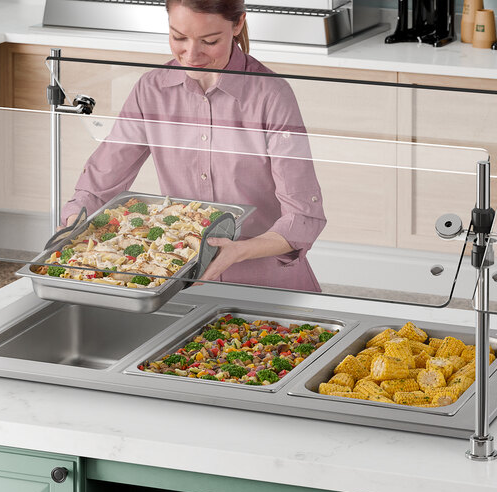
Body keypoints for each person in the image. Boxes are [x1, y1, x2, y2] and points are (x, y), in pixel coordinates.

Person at [61, 0, 326, 291]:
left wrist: (238, 250)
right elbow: (99, 185)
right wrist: (75, 224)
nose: (191, 54)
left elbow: (303, 217)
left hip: (265, 281)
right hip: (180, 278)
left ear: (237, 25)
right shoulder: (152, 90)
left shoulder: (272, 95)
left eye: (209, 41)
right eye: (178, 38)